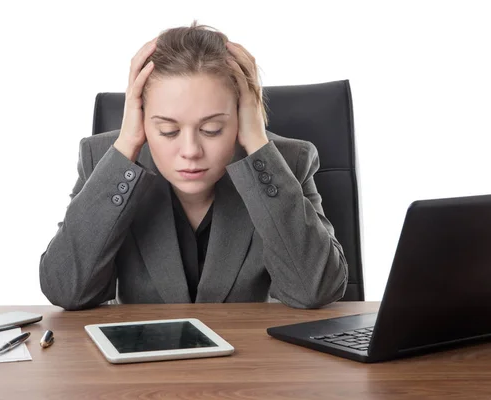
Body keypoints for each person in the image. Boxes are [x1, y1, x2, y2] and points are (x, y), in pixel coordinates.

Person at [39, 22, 348, 311]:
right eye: (168, 131)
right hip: (143, 364)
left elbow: (315, 290)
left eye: (212, 129)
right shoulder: (105, 161)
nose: (190, 151)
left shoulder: (285, 163)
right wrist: (127, 144)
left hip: (251, 364)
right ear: (142, 118)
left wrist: (256, 140)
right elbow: (67, 290)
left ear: (240, 116)